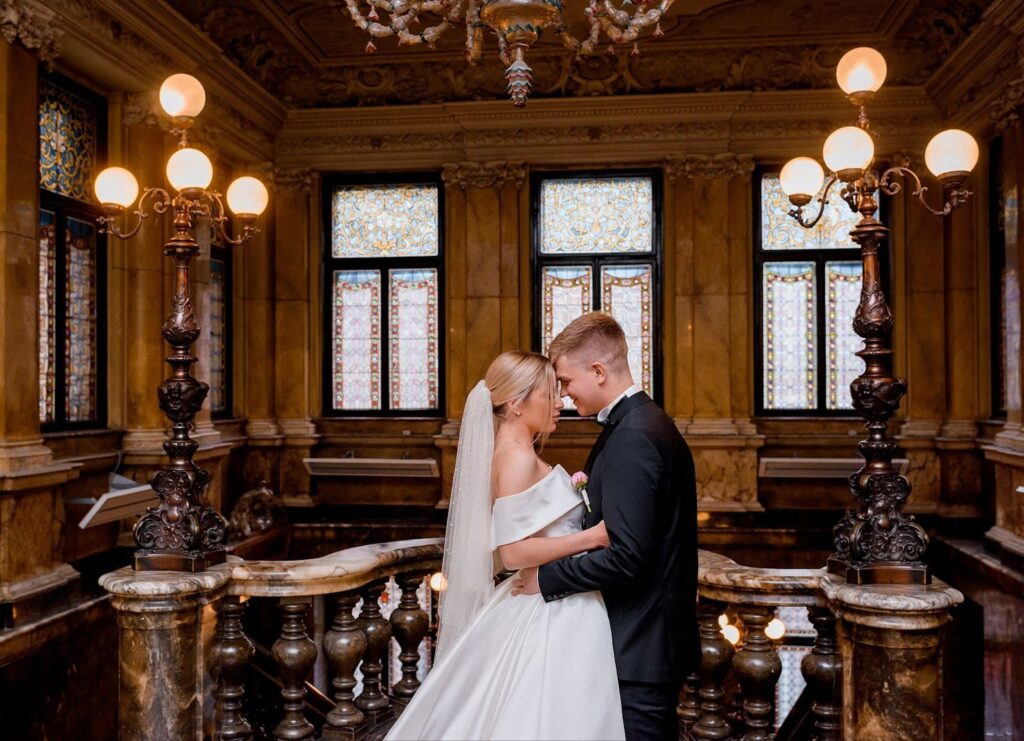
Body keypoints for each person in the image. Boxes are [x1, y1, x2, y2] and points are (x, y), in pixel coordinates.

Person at [386, 350, 626, 740]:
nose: (560, 402)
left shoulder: (518, 453)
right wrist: (592, 537)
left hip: (554, 597)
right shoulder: (515, 458)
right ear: (515, 403)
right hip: (549, 609)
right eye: (550, 393)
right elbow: (513, 553)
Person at [512, 312, 700, 741]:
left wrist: (546, 578)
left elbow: (628, 556)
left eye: (564, 380)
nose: (561, 393)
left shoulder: (634, 436)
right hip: (649, 644)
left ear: (598, 371)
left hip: (641, 650)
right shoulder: (644, 423)